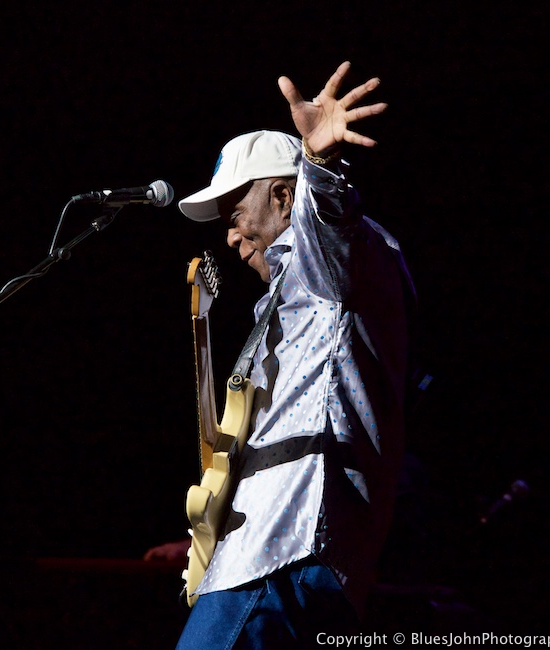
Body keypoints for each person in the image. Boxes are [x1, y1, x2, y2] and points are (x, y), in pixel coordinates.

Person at [166, 61, 415, 649]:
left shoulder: (334, 262)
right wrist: (209, 532)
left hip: (285, 546)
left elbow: (330, 227)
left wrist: (321, 166)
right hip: (284, 548)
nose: (229, 235)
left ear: (283, 195)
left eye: (234, 213)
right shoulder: (285, 298)